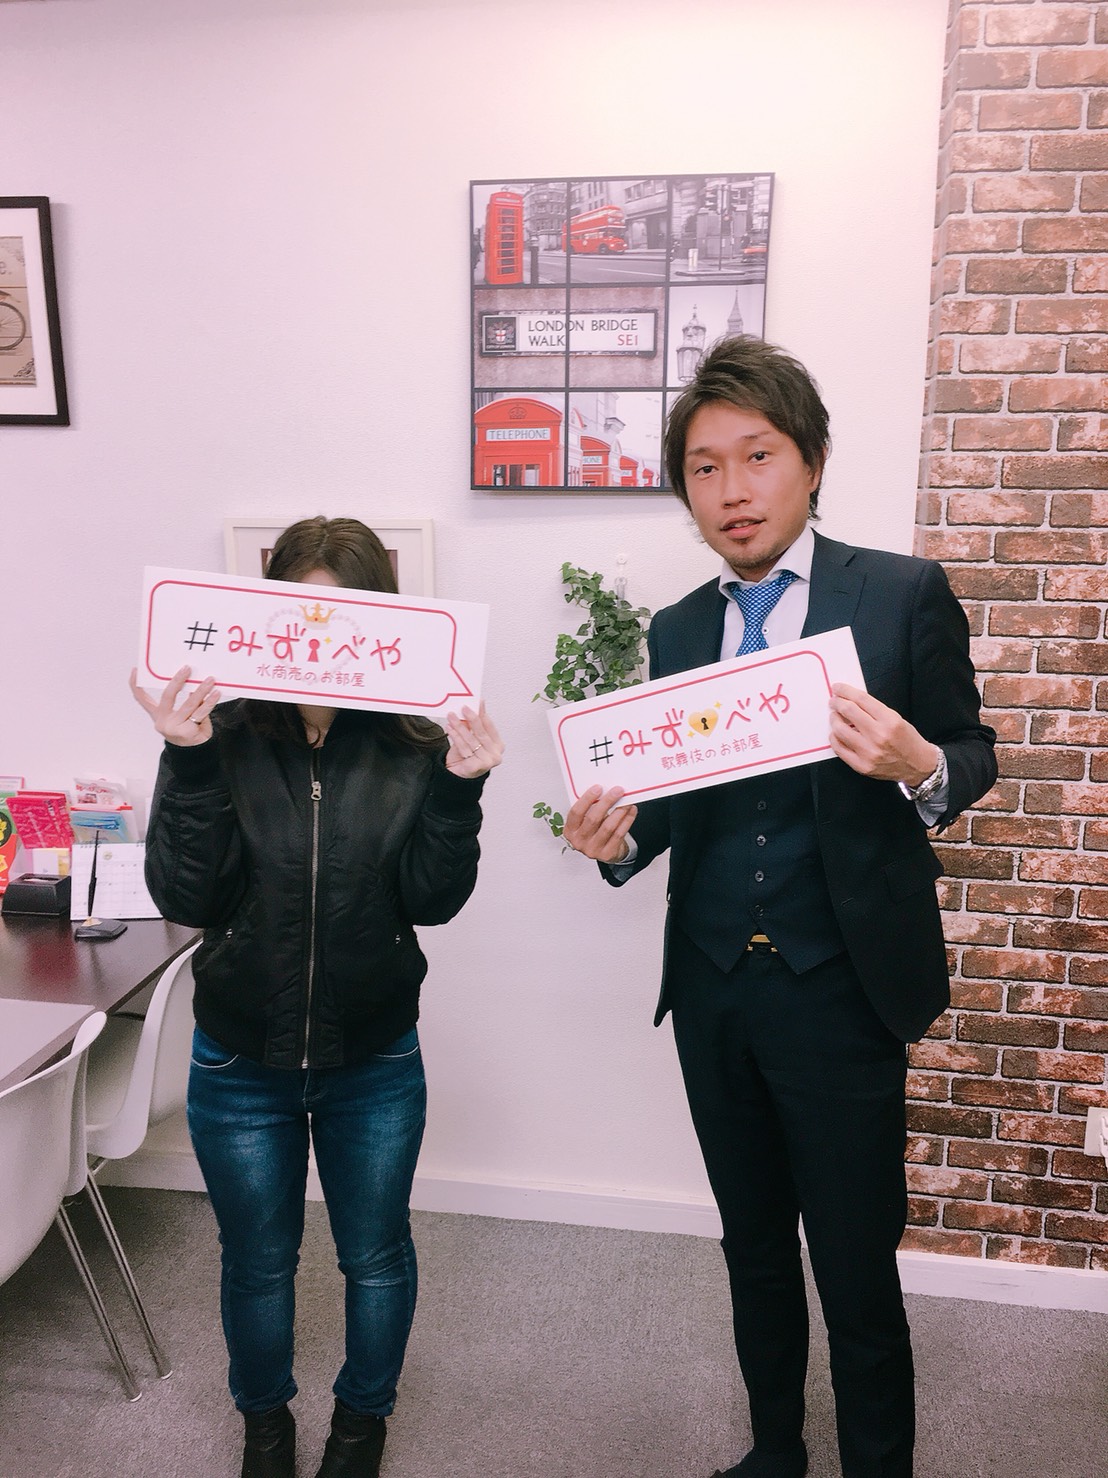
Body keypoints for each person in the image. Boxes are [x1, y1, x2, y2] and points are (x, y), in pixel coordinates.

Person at [563, 337, 996, 1478]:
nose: (733, 489)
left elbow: (973, 750)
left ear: (810, 462)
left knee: (853, 1264)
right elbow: (675, 804)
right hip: (715, 989)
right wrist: (618, 840)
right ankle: (774, 1453)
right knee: (751, 1245)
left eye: (757, 456)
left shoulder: (898, 593)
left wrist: (918, 763)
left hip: (842, 987)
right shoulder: (676, 628)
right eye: (704, 468)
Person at [131, 516, 503, 1478]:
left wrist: (460, 789)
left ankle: (360, 1422)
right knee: (257, 1262)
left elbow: (432, 899)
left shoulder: (413, 744)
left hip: (373, 1058)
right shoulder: (223, 734)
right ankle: (265, 1427)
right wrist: (187, 757)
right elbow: (186, 897)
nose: (321, 640)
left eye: (346, 617)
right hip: (237, 1058)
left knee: (374, 1256)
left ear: (383, 623)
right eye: (301, 615)